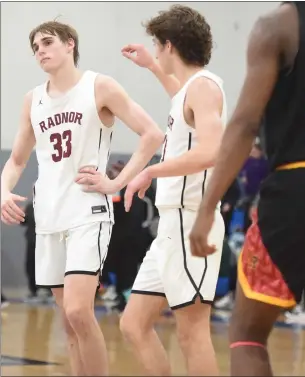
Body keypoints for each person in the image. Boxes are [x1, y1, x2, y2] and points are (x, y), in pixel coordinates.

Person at [0, 21, 164, 376]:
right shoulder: (33, 99)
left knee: (78, 310)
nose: (40, 50)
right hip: (48, 214)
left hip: (88, 211)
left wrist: (116, 182)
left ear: (69, 44)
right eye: (35, 47)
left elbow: (152, 134)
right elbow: (16, 160)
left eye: (47, 42)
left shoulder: (99, 86)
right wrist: (2, 190)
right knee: (68, 322)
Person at [190, 2, 305, 376]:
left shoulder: (279, 25)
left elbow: (244, 124)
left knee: (248, 334)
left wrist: (208, 205)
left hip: (299, 184)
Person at [116, 5, 227, 375]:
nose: (156, 50)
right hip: (169, 229)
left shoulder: (207, 87)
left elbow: (212, 151)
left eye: (156, 46)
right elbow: (181, 103)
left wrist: (151, 171)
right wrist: (150, 66)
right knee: (133, 323)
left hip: (191, 222)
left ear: (169, 44)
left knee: (192, 333)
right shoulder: (189, 91)